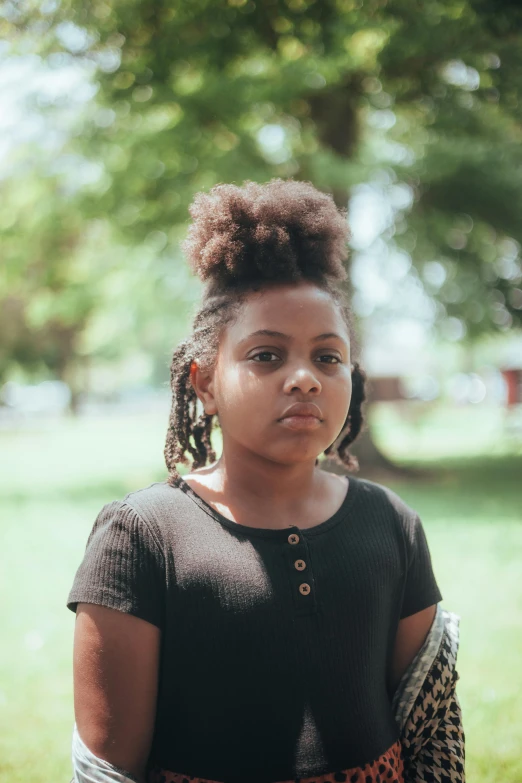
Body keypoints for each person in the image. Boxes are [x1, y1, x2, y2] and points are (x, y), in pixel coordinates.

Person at [67, 179, 456, 783]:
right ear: (204, 383)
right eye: (266, 356)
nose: (304, 379)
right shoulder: (142, 537)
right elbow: (108, 768)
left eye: (328, 358)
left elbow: (432, 733)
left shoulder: (391, 523)